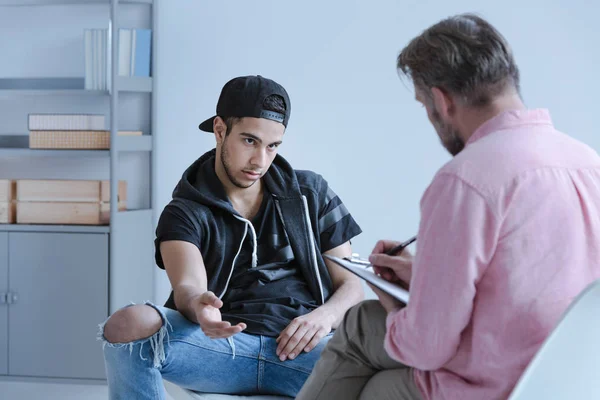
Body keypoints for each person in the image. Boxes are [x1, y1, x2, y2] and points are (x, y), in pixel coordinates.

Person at [297, 13, 600, 400]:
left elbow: (427, 346)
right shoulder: (588, 162)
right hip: (572, 379)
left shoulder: (466, 179)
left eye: (425, 104)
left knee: (367, 348)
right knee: (371, 348)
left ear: (441, 100)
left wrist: (398, 304)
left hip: (496, 384)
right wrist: (427, 278)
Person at [98, 75, 364, 399]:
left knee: (398, 360)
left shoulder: (311, 193)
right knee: (127, 324)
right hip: (223, 349)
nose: (260, 161)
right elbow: (187, 286)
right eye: (250, 141)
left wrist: (324, 318)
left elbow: (351, 284)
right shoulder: (184, 212)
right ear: (220, 130)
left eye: (272, 146)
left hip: (307, 349)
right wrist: (201, 307)